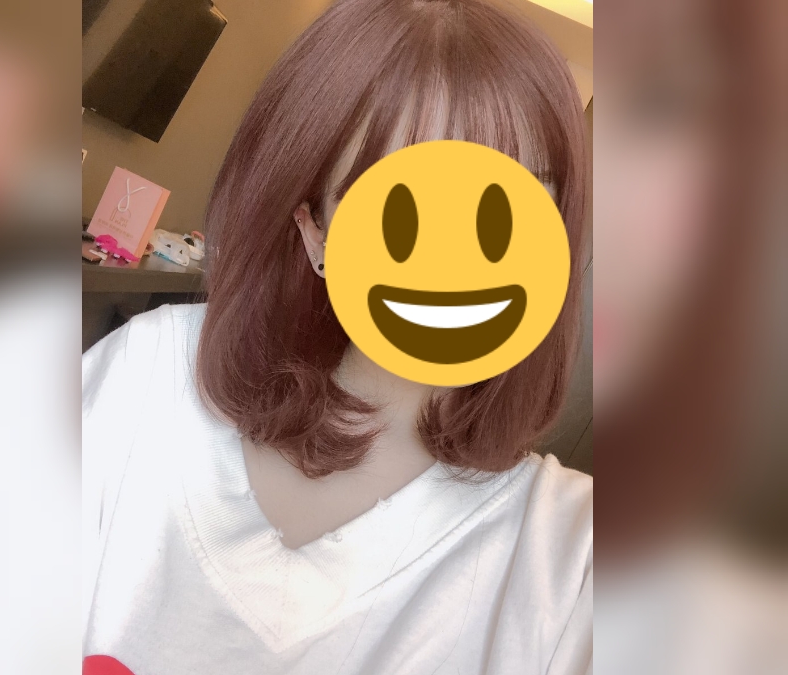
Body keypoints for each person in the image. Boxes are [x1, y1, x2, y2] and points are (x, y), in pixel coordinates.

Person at [83, 0, 591, 673]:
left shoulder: (571, 560)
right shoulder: (144, 381)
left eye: (510, 208)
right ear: (314, 229)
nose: (451, 260)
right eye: (399, 208)